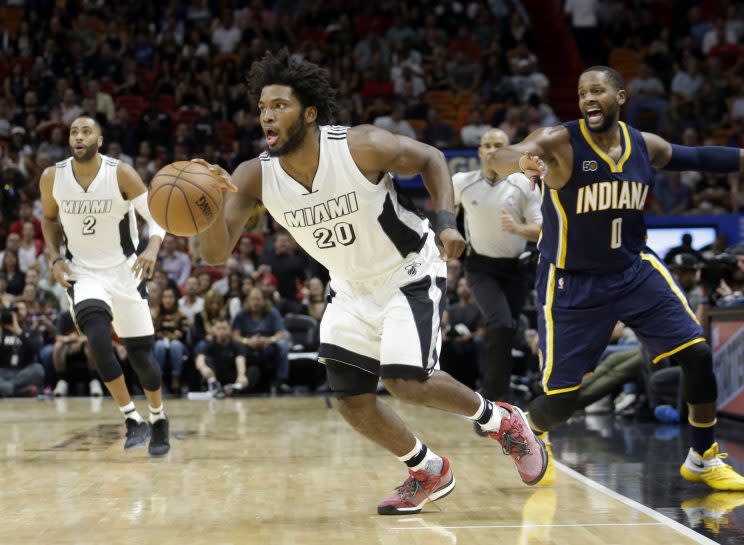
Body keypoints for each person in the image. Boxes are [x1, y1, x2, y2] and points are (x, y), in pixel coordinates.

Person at [196, 49, 547, 515]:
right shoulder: (253, 175)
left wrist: (445, 221)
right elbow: (215, 254)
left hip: (408, 269)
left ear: (309, 113)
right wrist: (202, 207)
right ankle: (426, 468)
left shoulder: (357, 146)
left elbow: (431, 158)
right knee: (351, 399)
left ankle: (502, 421)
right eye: (262, 107)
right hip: (350, 284)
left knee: (405, 381)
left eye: (279, 105)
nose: (267, 115)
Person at [486, 65, 744, 490]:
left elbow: (699, 158)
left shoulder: (645, 146)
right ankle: (527, 427)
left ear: (620, 97)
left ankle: (703, 456)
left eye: (598, 91)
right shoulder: (559, 141)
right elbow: (500, 157)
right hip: (572, 282)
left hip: (632, 270)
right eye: (582, 92)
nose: (588, 98)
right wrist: (524, 160)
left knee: (697, 354)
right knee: (563, 400)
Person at [39, 116, 170, 456]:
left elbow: (155, 216)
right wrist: (54, 258)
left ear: (100, 139)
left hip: (126, 272)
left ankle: (158, 418)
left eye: (86, 131)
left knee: (143, 360)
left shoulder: (120, 173)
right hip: (83, 273)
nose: (78, 136)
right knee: (97, 338)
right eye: (73, 131)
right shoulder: (53, 176)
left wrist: (152, 248)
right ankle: (131, 419)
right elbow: (49, 219)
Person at [452, 128, 542, 418]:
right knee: (500, 322)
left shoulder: (523, 184)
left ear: (510, 151)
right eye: (487, 145)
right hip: (479, 267)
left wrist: (518, 229)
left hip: (516, 269)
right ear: (479, 151)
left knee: (507, 329)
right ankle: (492, 402)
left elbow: (541, 228)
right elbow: (445, 212)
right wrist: (447, 235)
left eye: (498, 145)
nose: (492, 150)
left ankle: (497, 398)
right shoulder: (461, 182)